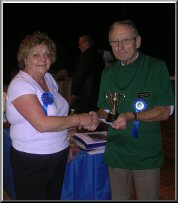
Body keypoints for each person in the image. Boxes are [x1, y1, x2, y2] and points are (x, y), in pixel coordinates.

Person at [5, 31, 99, 200]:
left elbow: (60, 113)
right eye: (37, 55)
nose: (43, 59)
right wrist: (80, 119)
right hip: (32, 158)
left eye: (47, 54)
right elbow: (42, 124)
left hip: (58, 154)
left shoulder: (48, 78)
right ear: (25, 58)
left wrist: (68, 140)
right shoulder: (20, 85)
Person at [96, 20, 174, 200]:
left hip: (145, 154)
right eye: (114, 42)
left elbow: (165, 111)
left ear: (138, 41)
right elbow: (105, 109)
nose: (119, 47)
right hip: (116, 153)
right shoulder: (108, 73)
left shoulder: (156, 67)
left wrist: (132, 116)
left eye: (125, 41)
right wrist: (96, 116)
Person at [70, 35, 105, 113]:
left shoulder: (84, 57)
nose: (79, 47)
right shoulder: (99, 57)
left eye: (80, 44)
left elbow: (79, 76)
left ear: (87, 43)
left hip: (84, 95)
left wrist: (74, 92)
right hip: (97, 94)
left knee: (80, 116)